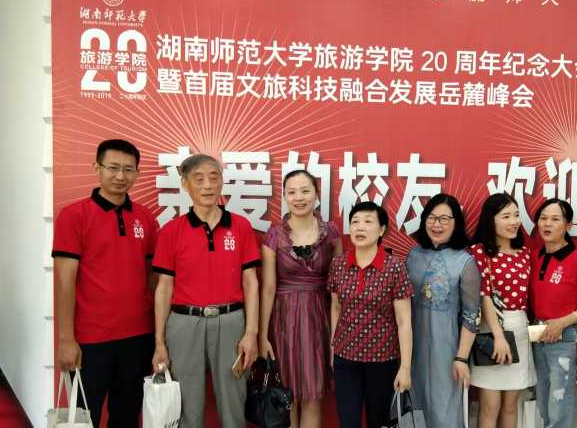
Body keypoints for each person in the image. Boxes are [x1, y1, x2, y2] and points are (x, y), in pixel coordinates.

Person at [52, 139, 158, 427]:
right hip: (90, 339)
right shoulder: (74, 216)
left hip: (138, 336)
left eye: (128, 169)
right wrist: (66, 339)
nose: (120, 176)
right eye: (112, 168)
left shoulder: (145, 218)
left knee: (127, 416)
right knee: (84, 418)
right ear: (96, 167)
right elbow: (64, 280)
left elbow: (153, 277)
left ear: (137, 173)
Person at [151, 154, 260, 428]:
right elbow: (164, 289)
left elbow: (251, 282)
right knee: (187, 406)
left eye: (214, 177)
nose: (208, 185)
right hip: (184, 324)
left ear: (222, 181)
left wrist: (251, 333)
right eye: (198, 179)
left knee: (234, 403)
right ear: (185, 184)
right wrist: (160, 342)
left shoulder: (241, 226)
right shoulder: (171, 231)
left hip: (231, 322)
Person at [259, 170, 342, 428]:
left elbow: (339, 286)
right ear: (284, 196)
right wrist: (262, 335)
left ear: (316, 194)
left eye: (305, 191)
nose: (299, 197)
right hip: (283, 320)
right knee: (287, 397)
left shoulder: (331, 233)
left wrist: (338, 333)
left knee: (313, 397)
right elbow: (268, 288)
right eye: (292, 192)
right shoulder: (274, 235)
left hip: (319, 318)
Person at [328, 201, 413, 428]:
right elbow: (335, 307)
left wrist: (405, 367)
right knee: (348, 421)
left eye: (368, 221)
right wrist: (332, 347)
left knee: (378, 421)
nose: (360, 227)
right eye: (355, 222)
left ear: (381, 229)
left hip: (382, 360)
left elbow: (404, 321)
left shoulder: (394, 267)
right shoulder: (338, 264)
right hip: (345, 357)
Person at [406, 193, 480, 428]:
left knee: (445, 412)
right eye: (431, 217)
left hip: (448, 352)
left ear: (456, 222)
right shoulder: (413, 256)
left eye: (444, 219)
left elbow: (471, 315)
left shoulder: (465, 262)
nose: (436, 224)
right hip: (412, 349)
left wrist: (461, 357)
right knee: (415, 411)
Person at [530, 198, 577, 428]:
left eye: (555, 219)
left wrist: (562, 322)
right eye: (543, 218)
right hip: (538, 336)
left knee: (560, 406)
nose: (547, 224)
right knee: (544, 404)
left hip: (566, 339)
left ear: (568, 226)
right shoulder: (537, 255)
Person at [469, 193, 536, 428]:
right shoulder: (479, 252)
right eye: (506, 216)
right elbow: (484, 295)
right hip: (491, 331)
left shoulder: (525, 253)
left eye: (516, 215)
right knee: (490, 406)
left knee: (510, 406)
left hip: (520, 329)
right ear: (491, 220)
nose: (513, 221)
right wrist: (498, 336)